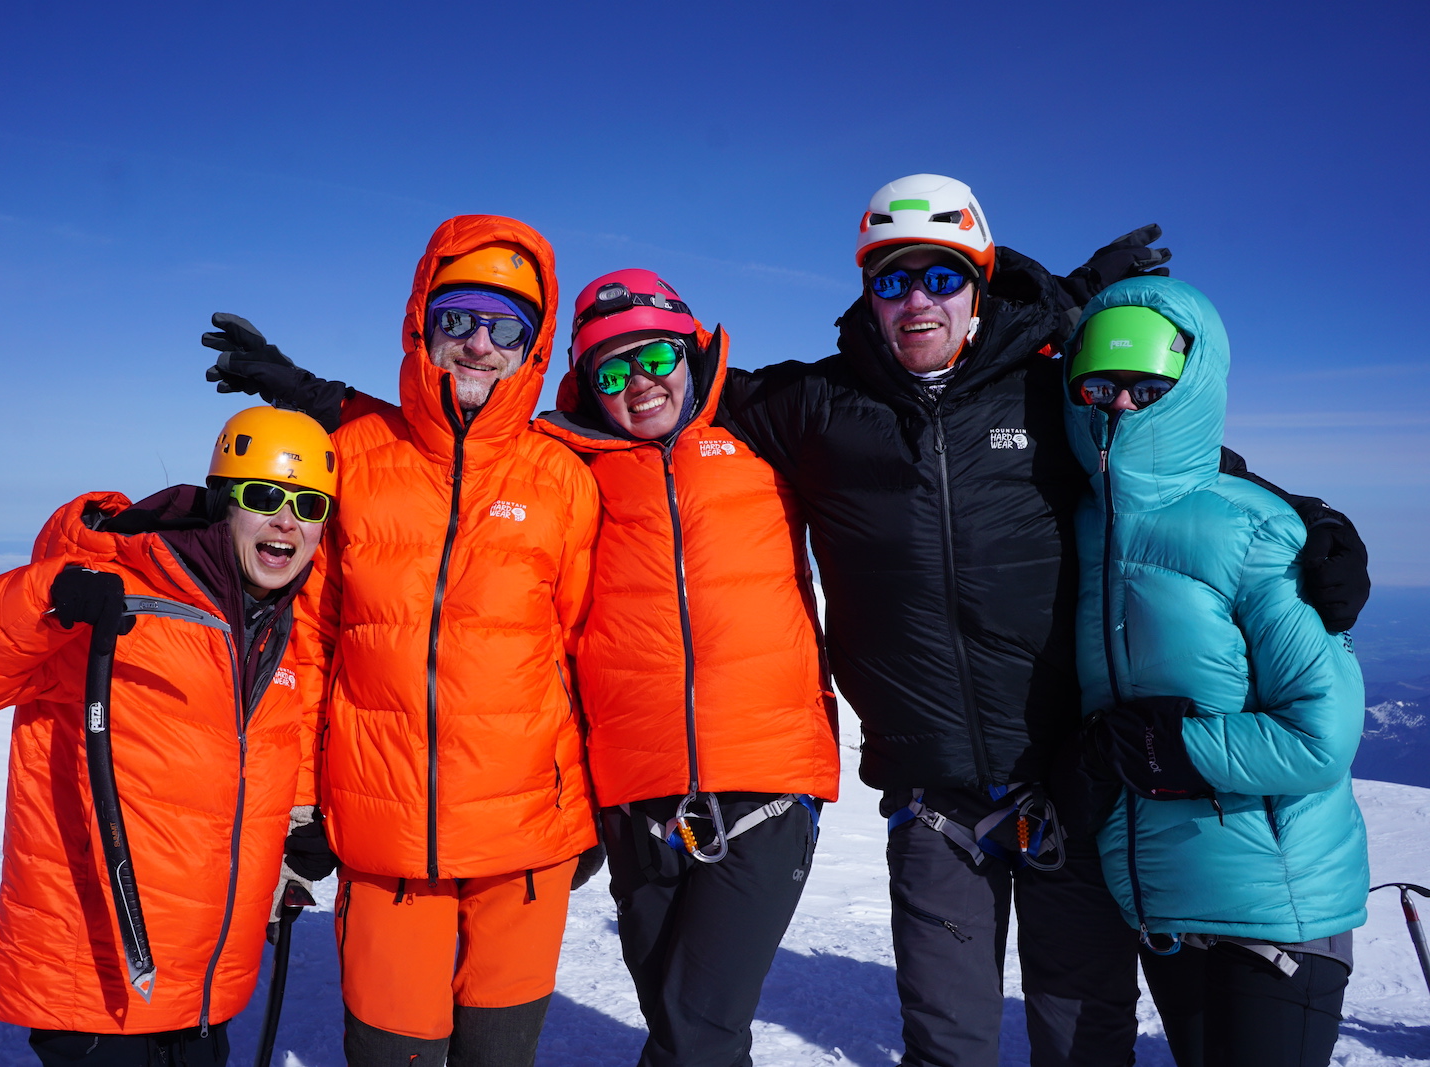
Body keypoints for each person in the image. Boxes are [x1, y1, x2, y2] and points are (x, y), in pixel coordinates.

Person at [717, 174, 1372, 1066]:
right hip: (933, 790)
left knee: (1082, 1038)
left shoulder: (1046, 395)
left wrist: (1316, 521)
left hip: (1073, 783)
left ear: (978, 285)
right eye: (891, 278)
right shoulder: (819, 407)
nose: (916, 300)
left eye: (941, 276)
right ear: (866, 293)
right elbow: (679, 388)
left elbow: (1168, 462)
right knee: (947, 1046)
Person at [210, 215, 601, 1067]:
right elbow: (308, 641)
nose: (478, 345)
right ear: (423, 320)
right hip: (385, 839)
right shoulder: (357, 455)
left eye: (507, 328)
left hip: (525, 846)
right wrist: (306, 794)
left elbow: (581, 651)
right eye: (459, 316)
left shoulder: (563, 480)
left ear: (533, 350)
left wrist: (591, 806)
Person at [0, 406, 339, 1067]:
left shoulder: (274, 630)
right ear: (223, 501)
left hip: (199, 992)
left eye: (308, 504)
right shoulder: (117, 596)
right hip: (97, 985)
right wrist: (46, 596)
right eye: (263, 495)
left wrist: (294, 837)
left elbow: (249, 769)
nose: (286, 519)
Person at [532, 270, 839, 1066]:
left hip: (764, 783)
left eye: (657, 355)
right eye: (610, 370)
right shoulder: (568, 461)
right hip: (634, 800)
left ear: (692, 350)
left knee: (694, 1035)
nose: (638, 383)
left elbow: (905, 397)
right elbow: (447, 457)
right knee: (687, 1024)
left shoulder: (761, 424)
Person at [1064, 279, 1367, 1067]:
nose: (1122, 405)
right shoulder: (1080, 518)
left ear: (1189, 387)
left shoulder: (1258, 527)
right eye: (1100, 384)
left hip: (1276, 907)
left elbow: (1320, 736)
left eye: (1148, 386)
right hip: (1164, 900)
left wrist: (1174, 750)